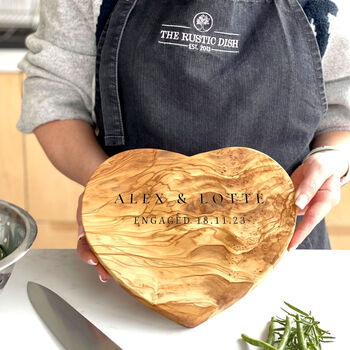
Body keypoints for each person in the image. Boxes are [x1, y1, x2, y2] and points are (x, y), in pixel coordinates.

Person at [17, 0, 350, 283]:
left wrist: (330, 158)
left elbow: (342, 103)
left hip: (285, 256)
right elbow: (55, 95)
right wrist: (110, 187)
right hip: (137, 243)